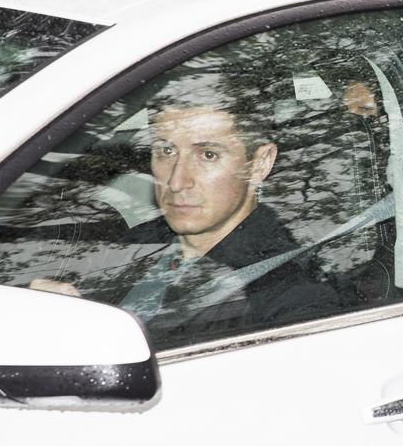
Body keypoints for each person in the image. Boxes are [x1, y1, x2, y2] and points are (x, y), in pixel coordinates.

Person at [33, 69, 343, 345]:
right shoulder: (129, 244)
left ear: (259, 163)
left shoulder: (288, 297)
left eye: (208, 155)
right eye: (166, 151)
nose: (177, 181)